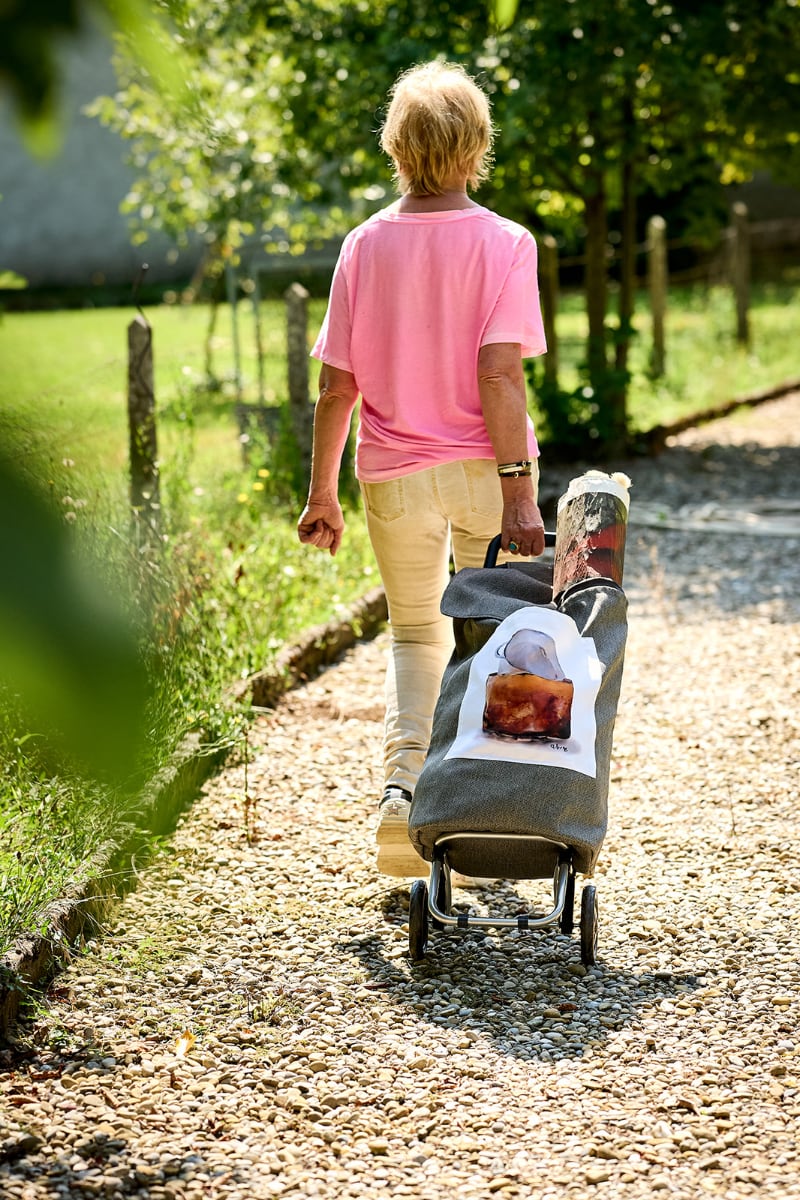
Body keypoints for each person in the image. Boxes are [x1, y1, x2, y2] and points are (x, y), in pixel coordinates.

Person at [297, 60, 547, 876]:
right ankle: (496, 811)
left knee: (414, 634)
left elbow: (337, 388)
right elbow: (501, 377)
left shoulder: (364, 245)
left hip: (393, 474)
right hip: (485, 468)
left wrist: (321, 495)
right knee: (498, 636)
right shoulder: (506, 243)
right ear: (477, 148)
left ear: (396, 148)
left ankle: (404, 799)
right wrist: (519, 492)